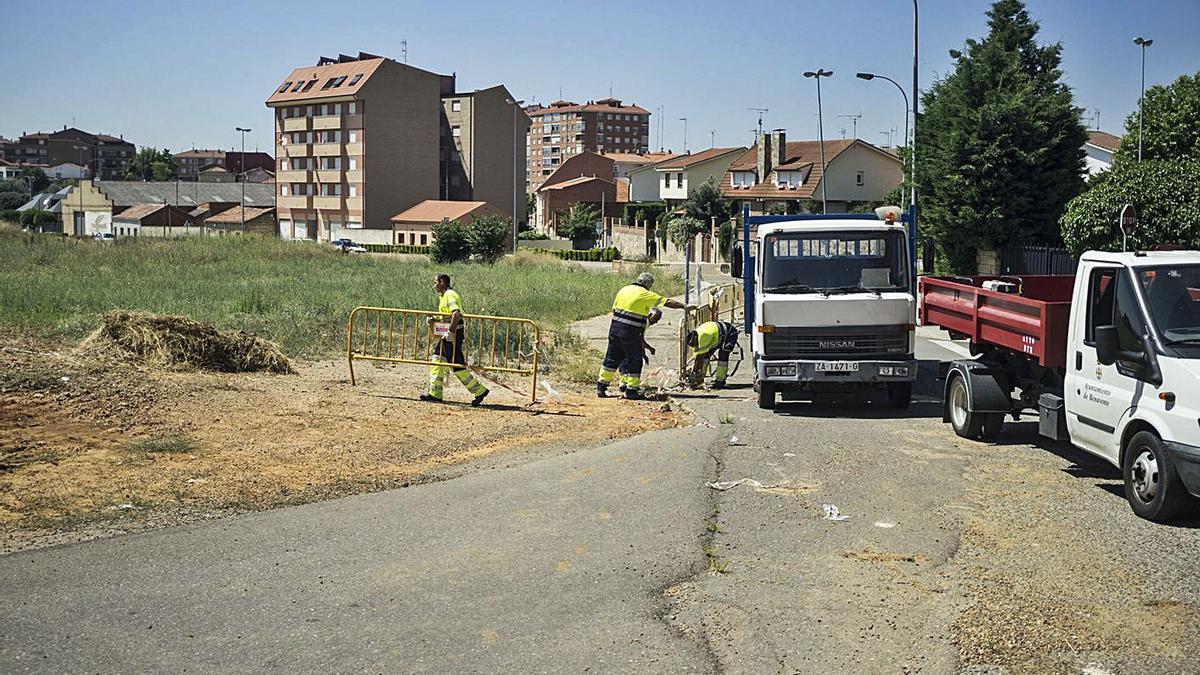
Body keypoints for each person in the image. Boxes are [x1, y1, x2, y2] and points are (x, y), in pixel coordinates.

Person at [598, 273, 692, 400]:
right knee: (635, 360)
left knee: (611, 357)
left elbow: (615, 310)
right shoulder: (644, 293)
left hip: (614, 330)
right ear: (648, 284)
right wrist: (684, 306)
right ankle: (631, 390)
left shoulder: (623, 290)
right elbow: (667, 302)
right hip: (630, 332)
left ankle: (601, 387)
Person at [420, 273, 489, 406]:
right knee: (437, 359)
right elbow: (447, 316)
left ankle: (479, 390)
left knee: (456, 365)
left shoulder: (450, 295)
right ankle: (435, 393)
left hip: (453, 334)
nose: (434, 285)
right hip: (449, 334)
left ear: (441, 282)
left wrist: (450, 332)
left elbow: (456, 314)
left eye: (435, 282)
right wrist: (434, 318)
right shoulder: (444, 296)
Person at [686, 320, 740, 389]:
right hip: (717, 337)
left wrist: (694, 375)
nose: (694, 346)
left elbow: (699, 359)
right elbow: (698, 359)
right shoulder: (695, 338)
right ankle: (701, 377)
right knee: (706, 356)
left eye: (694, 344)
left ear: (696, 339)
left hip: (730, 334)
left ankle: (720, 381)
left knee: (723, 356)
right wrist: (695, 373)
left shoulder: (703, 337)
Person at [618, 307, 661, 393]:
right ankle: (630, 386)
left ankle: (624, 383)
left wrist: (644, 354)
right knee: (633, 363)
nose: (656, 322)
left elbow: (639, 339)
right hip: (628, 342)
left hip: (622, 340)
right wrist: (650, 348)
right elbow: (640, 339)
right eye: (656, 318)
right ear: (649, 315)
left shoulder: (642, 321)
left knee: (625, 363)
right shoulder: (645, 322)